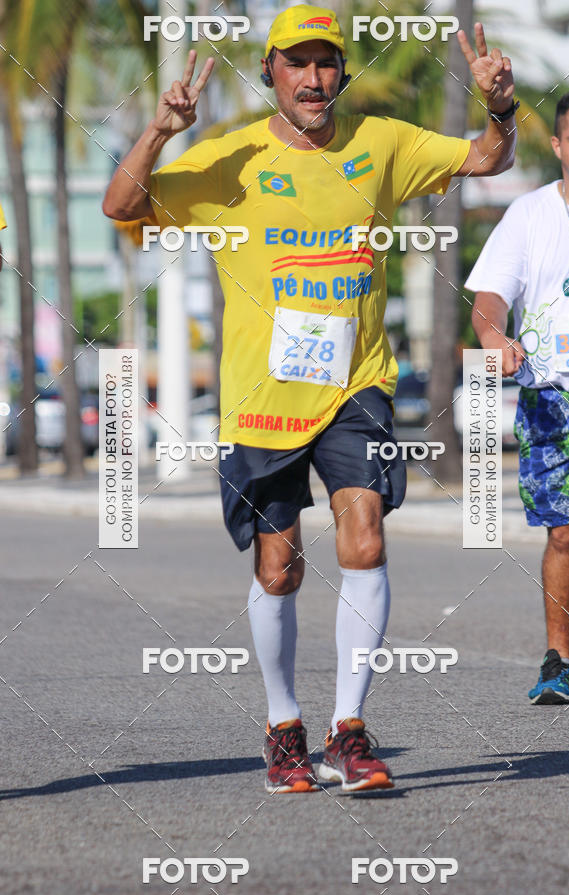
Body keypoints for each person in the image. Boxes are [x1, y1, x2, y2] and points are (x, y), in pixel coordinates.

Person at [103, 5, 517, 792]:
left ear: (340, 72)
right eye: (298, 63)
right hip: (261, 399)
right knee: (280, 567)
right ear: (271, 74)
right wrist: (160, 131)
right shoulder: (231, 159)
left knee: (365, 538)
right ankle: (284, 726)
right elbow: (122, 207)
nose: (315, 79)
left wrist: (500, 105)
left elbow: (488, 159)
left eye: (327, 63)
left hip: (355, 386)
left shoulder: (383, 142)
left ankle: (348, 731)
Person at [467, 89, 569, 705]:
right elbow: (491, 296)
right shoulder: (529, 213)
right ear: (557, 146)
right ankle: (560, 661)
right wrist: (493, 336)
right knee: (568, 533)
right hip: (556, 395)